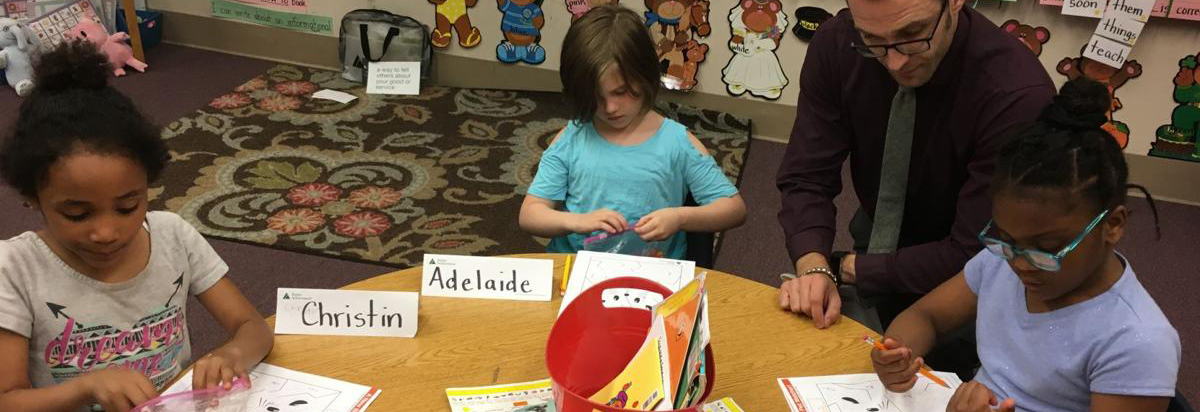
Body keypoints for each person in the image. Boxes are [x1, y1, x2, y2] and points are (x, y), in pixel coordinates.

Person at [871, 78, 1179, 412]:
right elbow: (925, 315)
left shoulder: (1136, 341)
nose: (1020, 263)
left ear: (1112, 225)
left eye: (1046, 247)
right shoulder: (1001, 263)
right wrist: (897, 353)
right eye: (1005, 239)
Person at [0, 41, 274, 412]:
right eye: (78, 214)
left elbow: (253, 328)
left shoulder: (172, 235)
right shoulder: (14, 268)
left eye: (128, 206)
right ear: (32, 197)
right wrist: (88, 387)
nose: (107, 232)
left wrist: (231, 354)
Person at [776, 0, 1056, 333]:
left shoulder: (1017, 95)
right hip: (878, 230)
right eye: (872, 40)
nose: (895, 62)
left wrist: (846, 268)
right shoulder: (837, 43)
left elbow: (977, 251)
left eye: (913, 34)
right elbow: (807, 175)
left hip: (971, 275)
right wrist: (813, 265)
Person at [519, 4, 746, 260]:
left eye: (620, 92)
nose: (609, 108)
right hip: (577, 266)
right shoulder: (571, 138)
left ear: (645, 75)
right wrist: (576, 221)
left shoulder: (676, 142)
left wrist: (680, 217)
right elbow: (530, 214)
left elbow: (734, 208)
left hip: (654, 274)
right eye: (595, 97)